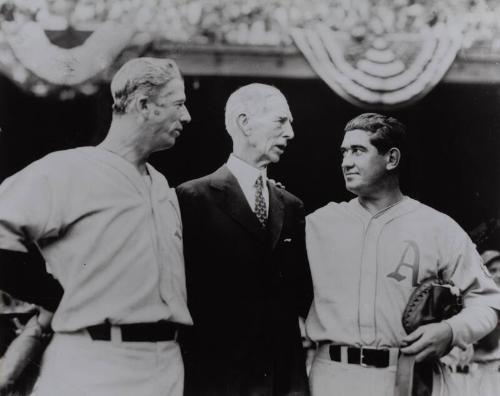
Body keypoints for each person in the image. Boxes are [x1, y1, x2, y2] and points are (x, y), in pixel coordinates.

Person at [0, 57, 192, 396]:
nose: (186, 117)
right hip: (95, 362)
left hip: (166, 366)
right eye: (178, 104)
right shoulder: (68, 170)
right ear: (143, 105)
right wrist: (53, 294)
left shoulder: (163, 188)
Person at [305, 113, 500, 396]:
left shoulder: (437, 227)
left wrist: (451, 331)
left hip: (408, 377)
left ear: (392, 159)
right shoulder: (316, 224)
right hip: (333, 377)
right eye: (344, 152)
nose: (346, 161)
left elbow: (489, 300)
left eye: (358, 151)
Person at [176, 83, 313, 396]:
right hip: (215, 381)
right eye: (281, 121)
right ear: (244, 122)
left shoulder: (291, 206)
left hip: (280, 381)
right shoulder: (192, 199)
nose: (290, 133)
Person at [472, 250, 500, 395]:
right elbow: (490, 343)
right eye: (493, 270)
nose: (499, 275)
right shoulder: (477, 303)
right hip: (483, 369)